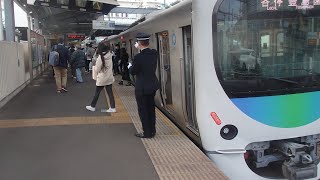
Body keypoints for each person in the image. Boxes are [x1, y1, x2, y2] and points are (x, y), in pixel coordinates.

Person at [128, 32, 160, 138]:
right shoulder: (154, 53)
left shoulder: (138, 57)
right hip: (152, 86)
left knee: (143, 110)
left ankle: (147, 133)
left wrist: (130, 66)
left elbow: (133, 71)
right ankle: (152, 131)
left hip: (142, 88)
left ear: (139, 43)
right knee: (151, 109)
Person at [86, 43, 116, 113]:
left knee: (97, 93)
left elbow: (97, 69)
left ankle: (92, 106)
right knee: (110, 93)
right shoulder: (110, 55)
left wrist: (94, 65)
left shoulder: (100, 58)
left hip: (102, 78)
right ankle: (113, 107)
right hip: (109, 77)